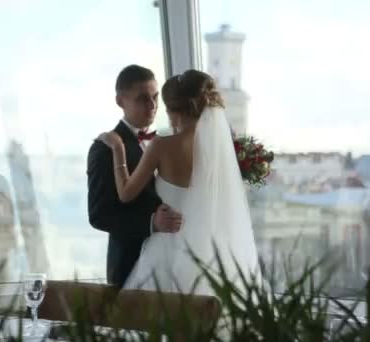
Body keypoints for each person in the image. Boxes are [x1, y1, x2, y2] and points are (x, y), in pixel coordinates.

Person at [98, 69, 260, 295]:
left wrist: (117, 149)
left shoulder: (162, 144)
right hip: (210, 253)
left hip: (165, 250)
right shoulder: (220, 152)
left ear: (175, 111)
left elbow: (125, 193)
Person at [87, 65, 182, 288]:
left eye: (155, 97)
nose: (153, 105)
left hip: (174, 261)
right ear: (120, 101)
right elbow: (99, 215)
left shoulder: (166, 141)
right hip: (130, 267)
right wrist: (152, 224)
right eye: (142, 99)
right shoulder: (105, 149)